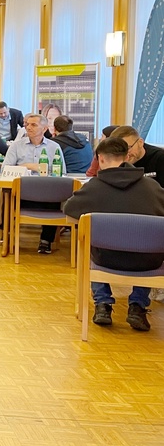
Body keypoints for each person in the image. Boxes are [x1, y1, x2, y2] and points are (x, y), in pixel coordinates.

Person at [63, 137, 164, 331]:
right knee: (148, 246)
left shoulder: (93, 187)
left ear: (100, 159)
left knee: (93, 243)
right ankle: (138, 306)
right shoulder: (152, 187)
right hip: (147, 263)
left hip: (106, 260)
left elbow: (69, 209)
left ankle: (103, 304)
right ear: (128, 157)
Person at [2, 113, 65, 254]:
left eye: (33, 125)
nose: (28, 128)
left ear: (44, 129)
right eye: (27, 124)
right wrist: (28, 166)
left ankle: (46, 240)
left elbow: (62, 173)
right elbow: (5, 169)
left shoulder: (54, 147)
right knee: (7, 196)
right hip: (22, 193)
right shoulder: (16, 146)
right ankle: (7, 235)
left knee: (54, 197)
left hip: (48, 194)